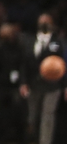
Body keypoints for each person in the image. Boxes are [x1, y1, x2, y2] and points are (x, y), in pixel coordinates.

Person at [23, 13, 65, 144]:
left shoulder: (58, 42)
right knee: (32, 117)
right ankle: (32, 140)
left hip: (53, 85)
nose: (44, 23)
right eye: (42, 21)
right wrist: (23, 82)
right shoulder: (30, 41)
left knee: (48, 116)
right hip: (34, 84)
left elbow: (64, 64)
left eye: (47, 21)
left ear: (52, 24)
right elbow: (24, 64)